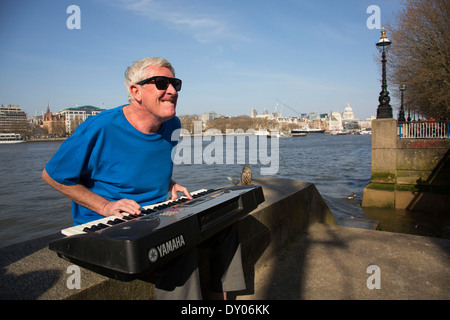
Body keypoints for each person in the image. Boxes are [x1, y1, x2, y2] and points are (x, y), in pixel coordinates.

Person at [42, 57, 246, 299]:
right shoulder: (100, 127)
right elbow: (52, 176)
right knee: (179, 246)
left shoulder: (172, 124)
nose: (172, 90)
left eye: (175, 84)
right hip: (109, 226)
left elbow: (143, 166)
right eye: (161, 83)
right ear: (135, 91)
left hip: (158, 213)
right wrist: (105, 206)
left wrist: (169, 184)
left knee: (225, 221)